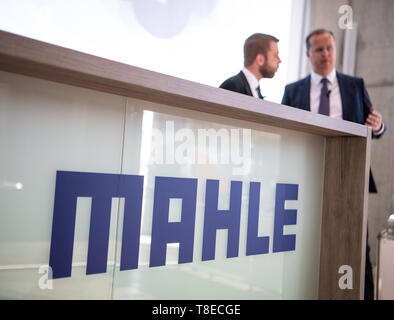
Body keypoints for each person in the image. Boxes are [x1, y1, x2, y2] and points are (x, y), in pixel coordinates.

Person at [281, 28, 386, 300]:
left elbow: (375, 125)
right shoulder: (292, 91)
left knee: (356, 247)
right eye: (319, 49)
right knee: (307, 244)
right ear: (308, 54)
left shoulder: (355, 85)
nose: (326, 54)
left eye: (329, 48)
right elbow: (282, 131)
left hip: (351, 177)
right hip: (307, 179)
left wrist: (379, 125)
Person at [219, 33, 281, 99]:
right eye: (275, 55)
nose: (279, 60)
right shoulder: (232, 86)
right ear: (260, 59)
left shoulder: (256, 90)